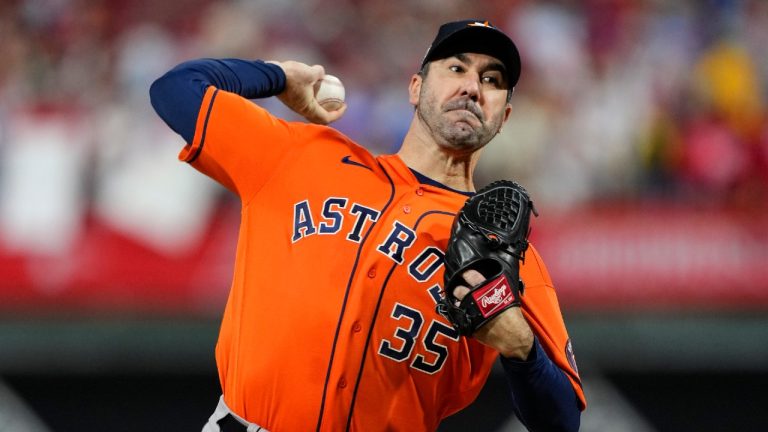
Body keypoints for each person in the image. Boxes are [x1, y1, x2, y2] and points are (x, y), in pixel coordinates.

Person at [150, 19, 586, 432]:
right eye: (456, 68)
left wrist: (523, 351)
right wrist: (278, 77)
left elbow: (562, 421)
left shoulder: (505, 255)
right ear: (415, 88)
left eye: (492, 80)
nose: (473, 87)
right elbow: (175, 90)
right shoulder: (302, 156)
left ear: (503, 117)